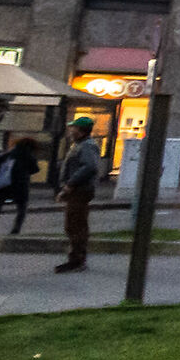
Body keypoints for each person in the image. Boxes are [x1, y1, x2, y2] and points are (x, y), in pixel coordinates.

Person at [53, 116, 102, 273]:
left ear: (80, 131)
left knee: (76, 225)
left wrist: (70, 184)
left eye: (73, 128)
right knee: (73, 224)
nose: (70, 130)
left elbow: (89, 167)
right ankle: (76, 258)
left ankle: (77, 260)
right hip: (78, 190)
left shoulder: (87, 146)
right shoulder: (80, 145)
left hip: (80, 190)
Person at [0, 132, 39, 235]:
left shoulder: (10, 153)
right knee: (21, 208)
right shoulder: (29, 156)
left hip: (5, 183)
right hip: (21, 184)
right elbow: (35, 169)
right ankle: (16, 228)